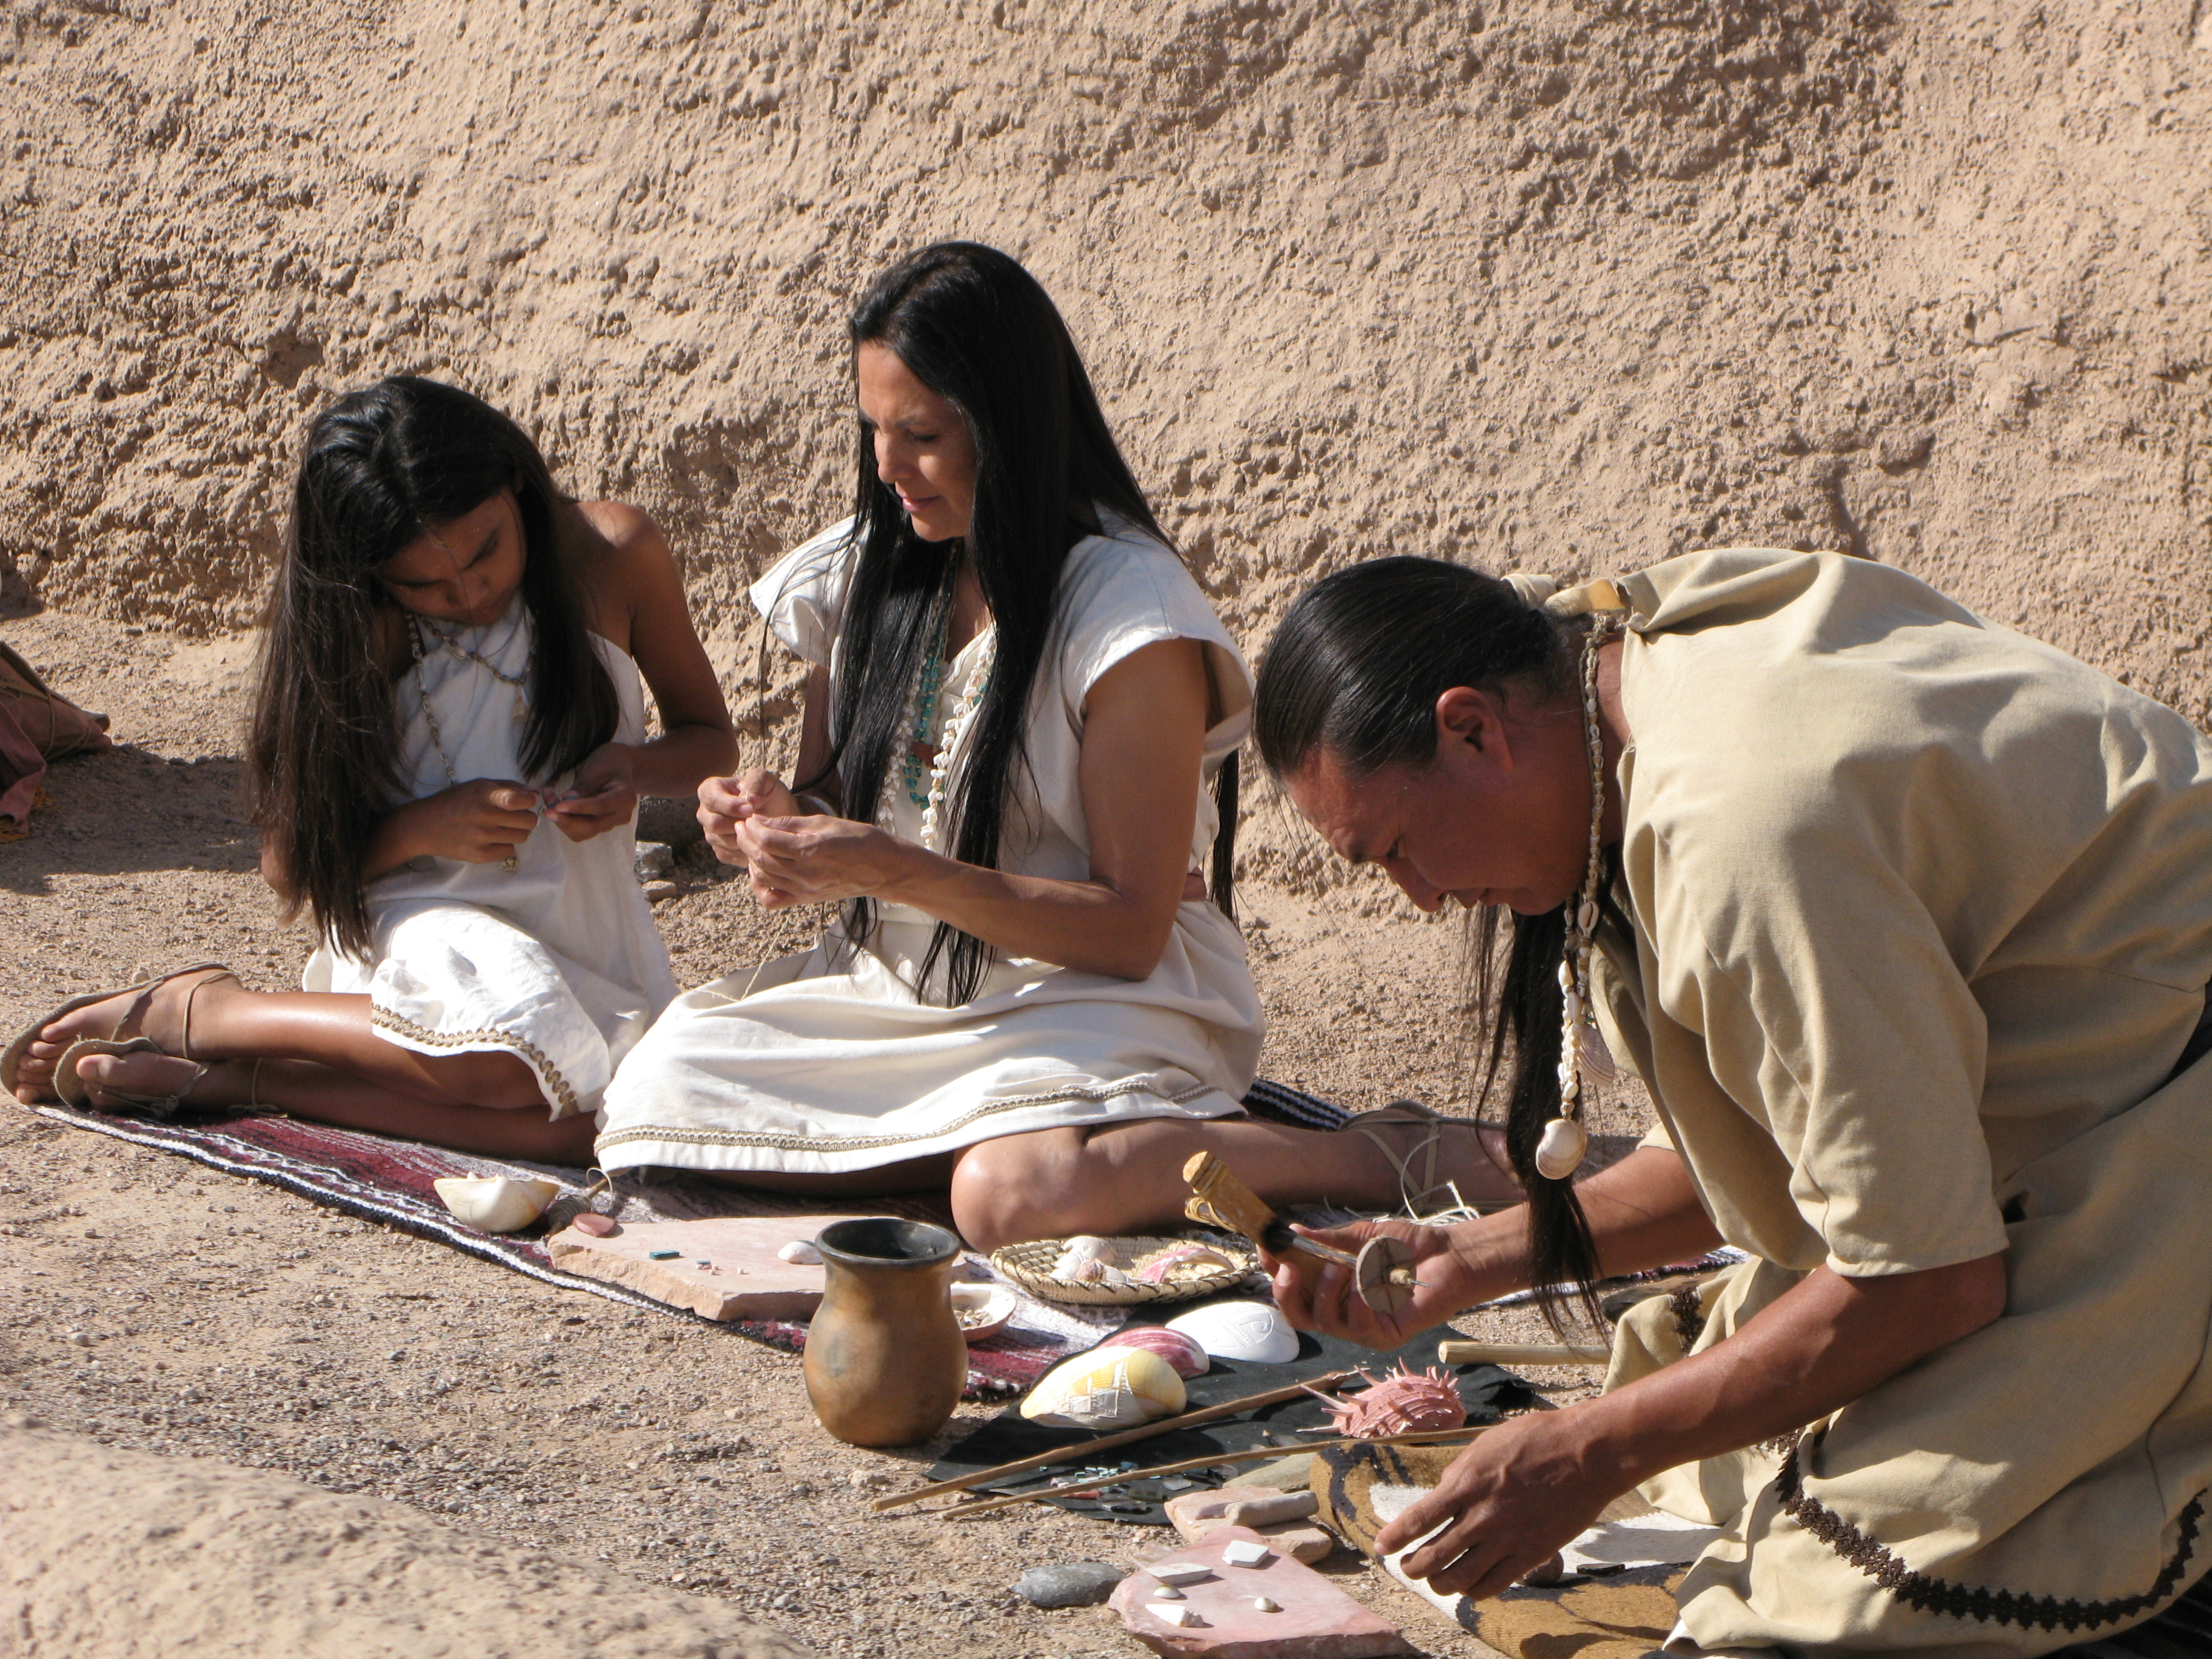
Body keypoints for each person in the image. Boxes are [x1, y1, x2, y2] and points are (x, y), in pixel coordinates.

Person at [1250, 548, 2212, 1654]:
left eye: (1400, 850)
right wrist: (1476, 1261)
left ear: (1473, 729)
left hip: (2163, 1150)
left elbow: (1933, 1278)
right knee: (1721, 1433)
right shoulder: (1628, 664)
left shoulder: (1746, 829)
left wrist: (1589, 1451)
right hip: (2063, 1132)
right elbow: (1774, 1144)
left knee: (1831, 1596)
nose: (1421, 898)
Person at [593, 242, 1518, 1247]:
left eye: (924, 435)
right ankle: (1010, 1151)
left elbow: (1128, 931)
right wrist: (776, 826)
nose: (889, 467)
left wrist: (903, 872)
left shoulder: (1128, 618)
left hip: (1091, 995)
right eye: (874, 431)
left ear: (1010, 428)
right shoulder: (870, 574)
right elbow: (837, 807)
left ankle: (1366, 1154)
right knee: (652, 1097)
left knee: (1015, 1195)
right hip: (898, 990)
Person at [4, 377, 736, 1160]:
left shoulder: (614, 553)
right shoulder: (362, 627)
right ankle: (206, 1014)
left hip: (586, 927)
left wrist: (632, 767)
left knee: (603, 1130)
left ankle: (249, 1082)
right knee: (509, 1058)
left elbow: (709, 739)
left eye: (487, 550)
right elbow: (292, 868)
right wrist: (428, 825)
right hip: (422, 925)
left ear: (516, 484)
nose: (470, 591)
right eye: (425, 584)